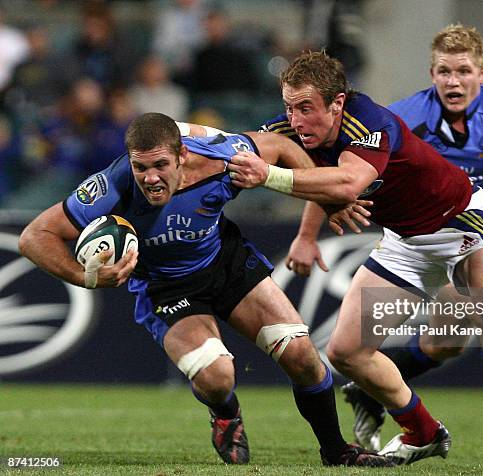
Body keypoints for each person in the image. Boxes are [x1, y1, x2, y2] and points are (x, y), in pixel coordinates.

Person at [227, 50, 483, 466]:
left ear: (338, 103)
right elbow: (285, 161)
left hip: (462, 223)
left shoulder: (372, 120)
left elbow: (347, 182)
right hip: (405, 240)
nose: (295, 120)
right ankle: (424, 432)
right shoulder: (302, 129)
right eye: (289, 108)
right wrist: (185, 139)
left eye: (305, 108)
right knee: (346, 351)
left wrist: (269, 175)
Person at [18, 112, 393, 468]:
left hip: (225, 263)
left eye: (160, 165)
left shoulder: (221, 159)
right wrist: (87, 278)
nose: (149, 178)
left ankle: (336, 450)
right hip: (165, 286)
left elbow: (281, 146)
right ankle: (226, 412)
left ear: (182, 155)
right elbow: (35, 235)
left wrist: (322, 198)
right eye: (141, 167)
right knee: (217, 378)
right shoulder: (111, 187)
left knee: (302, 355)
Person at [340, 23, 483, 458]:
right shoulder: (405, 119)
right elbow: (345, 171)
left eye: (463, 71)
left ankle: (371, 393)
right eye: (444, 71)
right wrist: (311, 232)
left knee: (447, 341)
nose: (453, 81)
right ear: (432, 74)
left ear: (482, 74)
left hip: (473, 230)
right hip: (425, 235)